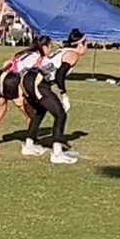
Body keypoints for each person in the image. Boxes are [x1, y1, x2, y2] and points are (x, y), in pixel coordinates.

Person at [23, 29, 86, 164]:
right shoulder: (72, 54)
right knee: (60, 115)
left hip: (30, 78)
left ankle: (29, 144)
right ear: (80, 44)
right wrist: (63, 95)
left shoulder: (62, 51)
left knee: (40, 110)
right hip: (38, 83)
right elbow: (59, 75)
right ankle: (57, 154)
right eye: (86, 44)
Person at [0, 36, 47, 149]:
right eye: (49, 46)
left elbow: (7, 63)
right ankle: (31, 141)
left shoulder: (22, 53)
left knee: (0, 111)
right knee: (31, 114)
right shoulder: (37, 57)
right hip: (12, 81)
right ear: (43, 47)